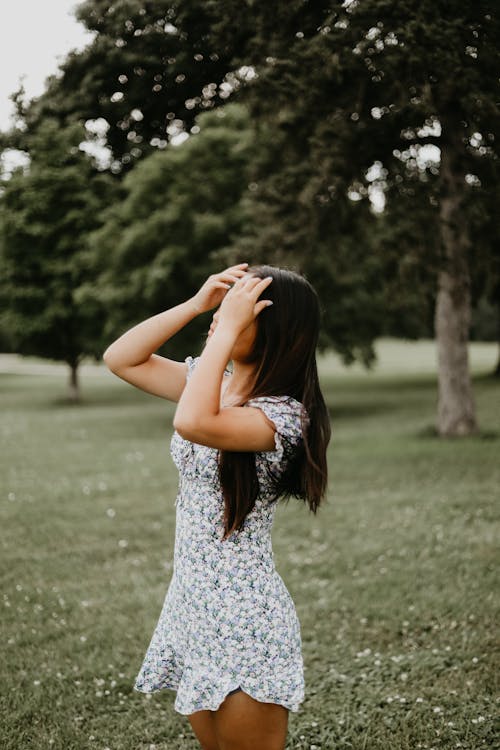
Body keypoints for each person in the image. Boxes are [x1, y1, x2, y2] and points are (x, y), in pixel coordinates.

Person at [102, 262, 331, 750]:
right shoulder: (215, 383)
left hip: (244, 617)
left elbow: (193, 423)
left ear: (272, 327)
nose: (223, 316)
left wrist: (223, 332)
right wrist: (196, 306)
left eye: (238, 310)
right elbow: (121, 358)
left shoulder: (282, 417)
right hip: (194, 604)